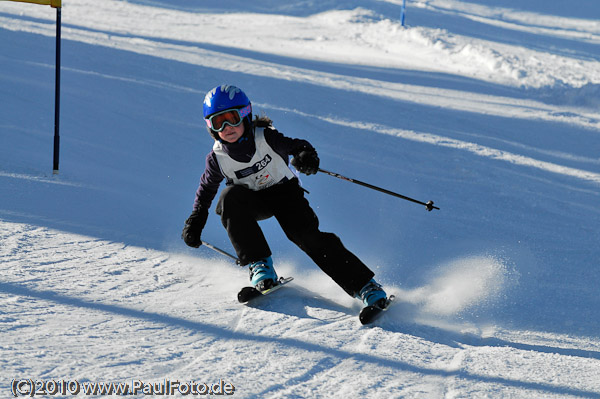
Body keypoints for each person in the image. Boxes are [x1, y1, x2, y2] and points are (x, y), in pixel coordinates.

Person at [182, 84, 388, 307]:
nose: (227, 127)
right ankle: (260, 265)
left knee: (306, 237)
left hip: (285, 194)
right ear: (210, 128)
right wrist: (196, 219)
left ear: (245, 115)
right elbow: (206, 190)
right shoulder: (217, 158)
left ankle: (366, 287)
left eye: (232, 118)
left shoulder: (265, 138)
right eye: (218, 122)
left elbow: (297, 146)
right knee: (229, 197)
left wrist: (305, 155)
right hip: (253, 201)